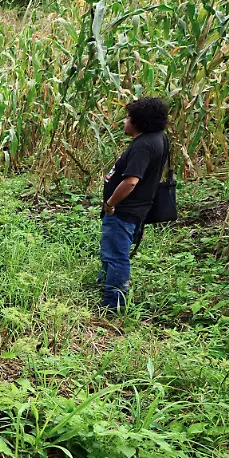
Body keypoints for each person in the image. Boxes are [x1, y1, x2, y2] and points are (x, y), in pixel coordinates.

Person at [99, 97, 169, 311]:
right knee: (112, 251)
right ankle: (105, 285)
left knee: (117, 256)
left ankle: (114, 304)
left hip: (124, 211)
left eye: (127, 117)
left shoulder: (143, 146)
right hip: (137, 208)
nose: (124, 122)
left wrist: (110, 203)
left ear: (138, 122)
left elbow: (130, 181)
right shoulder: (159, 138)